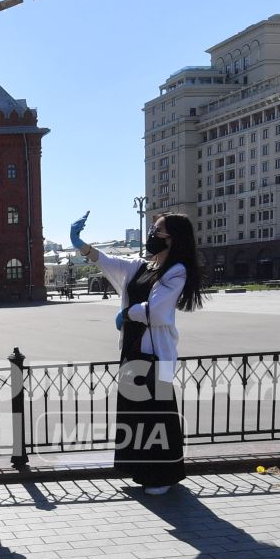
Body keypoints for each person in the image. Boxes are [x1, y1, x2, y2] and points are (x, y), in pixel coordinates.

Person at [73, 209, 204, 494]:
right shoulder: (143, 266)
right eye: (152, 230)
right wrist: (80, 244)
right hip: (133, 350)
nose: (151, 236)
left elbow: (157, 311)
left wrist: (128, 314)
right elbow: (109, 262)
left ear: (172, 239)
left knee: (156, 414)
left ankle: (162, 475)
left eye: (157, 231)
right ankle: (141, 469)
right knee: (135, 413)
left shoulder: (176, 270)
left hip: (156, 356)